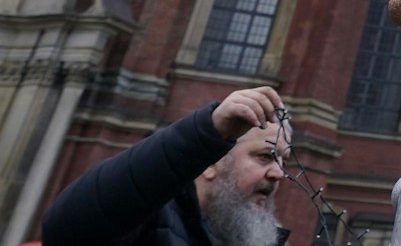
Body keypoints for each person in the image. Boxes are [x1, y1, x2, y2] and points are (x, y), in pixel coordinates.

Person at [42, 85, 290, 246]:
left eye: (283, 160)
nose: (279, 173)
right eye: (265, 156)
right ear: (211, 162)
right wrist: (206, 133)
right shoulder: (146, 222)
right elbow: (69, 230)